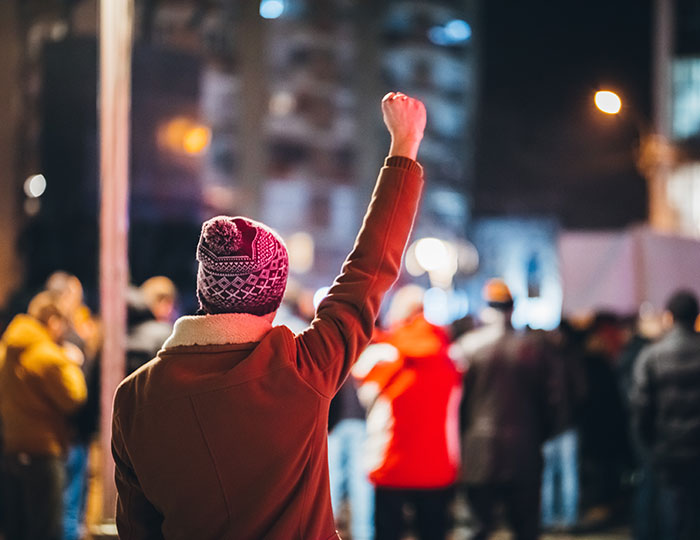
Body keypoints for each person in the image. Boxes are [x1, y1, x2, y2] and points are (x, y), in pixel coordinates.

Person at [111, 91, 426, 539]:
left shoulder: (134, 399)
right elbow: (370, 269)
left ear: (205, 290)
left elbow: (136, 530)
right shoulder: (301, 368)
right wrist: (404, 144)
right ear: (274, 298)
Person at [352, 284, 462, 540]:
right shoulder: (450, 355)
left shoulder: (385, 355)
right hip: (439, 466)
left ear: (399, 314)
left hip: (391, 465)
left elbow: (361, 391)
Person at [454, 279, 551, 540]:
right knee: (526, 529)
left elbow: (455, 405)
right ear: (513, 308)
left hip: (478, 451)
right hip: (524, 449)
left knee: (477, 527)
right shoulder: (534, 348)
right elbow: (553, 401)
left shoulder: (466, 347)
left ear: (487, 308)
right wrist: (540, 434)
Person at [0, 291, 87, 540]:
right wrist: (71, 361)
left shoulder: (7, 350)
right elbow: (74, 397)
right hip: (43, 452)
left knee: (17, 529)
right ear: (53, 322)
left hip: (12, 449)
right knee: (46, 529)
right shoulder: (46, 354)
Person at [630, 290, 700, 540]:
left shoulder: (651, 356)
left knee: (672, 514)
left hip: (667, 451)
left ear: (669, 318)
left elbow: (640, 409)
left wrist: (649, 448)